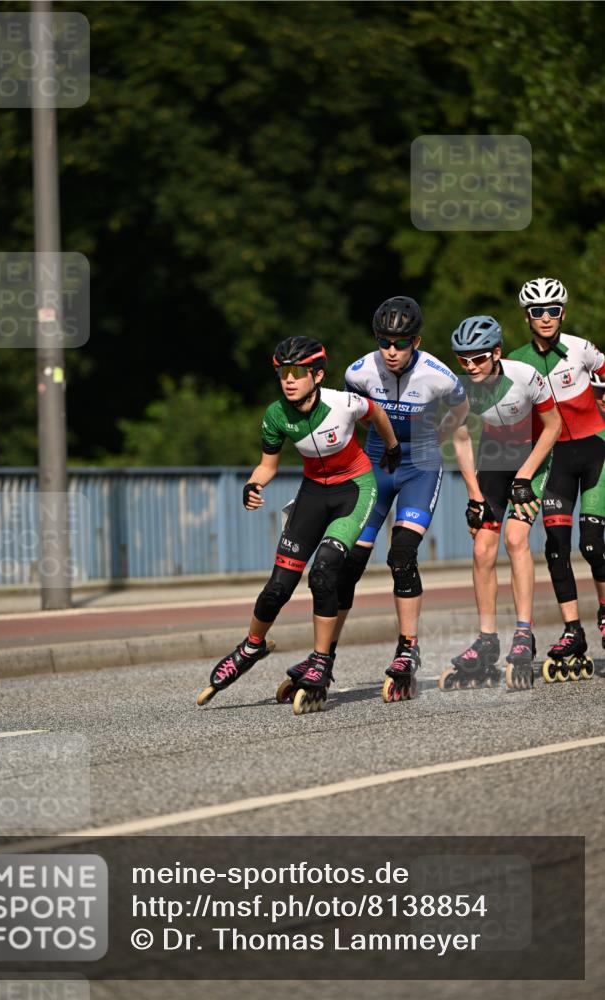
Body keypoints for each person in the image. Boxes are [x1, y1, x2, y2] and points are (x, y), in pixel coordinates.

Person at [196, 335, 400, 714]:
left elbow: (377, 414)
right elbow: (268, 465)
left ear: (317, 375)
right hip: (313, 494)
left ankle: (321, 660)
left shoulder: (342, 402)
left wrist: (391, 447)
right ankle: (253, 645)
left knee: (323, 573)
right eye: (282, 373)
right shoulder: (276, 415)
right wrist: (253, 484)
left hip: (355, 490)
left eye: (296, 373)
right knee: (278, 586)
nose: (288, 380)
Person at [333, 296, 476, 702]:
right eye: (384, 342)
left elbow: (461, 410)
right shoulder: (359, 372)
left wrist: (437, 440)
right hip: (377, 463)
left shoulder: (439, 375)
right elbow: (350, 416)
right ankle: (324, 657)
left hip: (420, 465)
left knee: (402, 554)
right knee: (349, 563)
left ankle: (407, 648)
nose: (392, 352)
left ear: (417, 340)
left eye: (401, 343)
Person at [440, 315, 562, 691]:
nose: (471, 367)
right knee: (482, 549)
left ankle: (524, 631)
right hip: (494, 459)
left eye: (478, 358)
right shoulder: (461, 390)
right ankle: (488, 638)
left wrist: (525, 475)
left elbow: (554, 427)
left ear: (496, 353)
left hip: (534, 455)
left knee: (514, 539)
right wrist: (474, 495)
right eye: (463, 360)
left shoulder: (525, 377)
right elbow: (460, 440)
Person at [511, 278, 605, 674]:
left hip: (595, 451)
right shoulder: (514, 362)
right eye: (537, 311)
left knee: (592, 544)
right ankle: (572, 630)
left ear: (563, 313)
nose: (545, 318)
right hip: (555, 460)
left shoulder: (581, 349)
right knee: (555, 545)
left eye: (553, 311)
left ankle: (603, 613)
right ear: (527, 317)